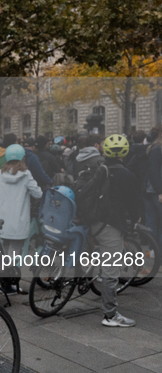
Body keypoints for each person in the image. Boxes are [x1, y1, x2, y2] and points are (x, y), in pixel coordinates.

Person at [94, 134, 139, 327]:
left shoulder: (99, 169)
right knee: (111, 271)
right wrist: (135, 218)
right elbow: (133, 204)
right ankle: (110, 315)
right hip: (110, 225)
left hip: (93, 222)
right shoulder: (126, 175)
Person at [0, 144, 42, 293]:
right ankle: (8, 284)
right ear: (22, 158)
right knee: (14, 254)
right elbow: (38, 194)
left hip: (1, 221)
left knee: (5, 252)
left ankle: (4, 282)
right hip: (18, 221)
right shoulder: (25, 174)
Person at [145, 125, 162, 246]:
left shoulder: (154, 148)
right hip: (157, 190)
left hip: (151, 190)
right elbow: (155, 172)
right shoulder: (158, 149)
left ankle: (153, 250)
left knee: (152, 221)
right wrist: (160, 191)